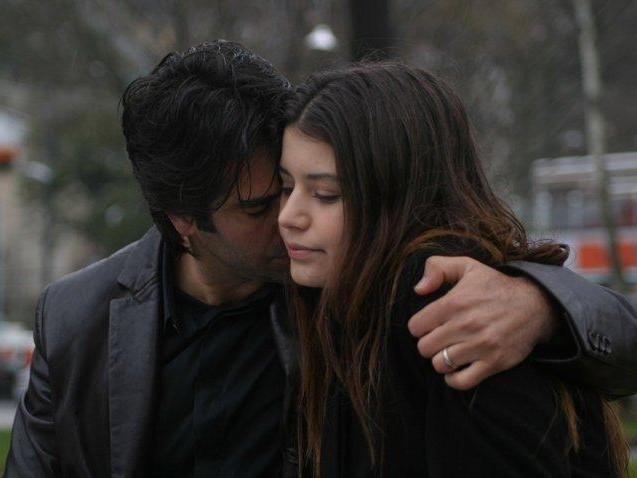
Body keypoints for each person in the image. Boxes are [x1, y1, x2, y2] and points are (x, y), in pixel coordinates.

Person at [4, 42, 636, 477]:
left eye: (316, 191)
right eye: (265, 201)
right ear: (182, 221)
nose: (287, 216)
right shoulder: (77, 317)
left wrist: (541, 306)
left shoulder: (379, 291)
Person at [278, 61, 629, 477]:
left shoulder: (446, 307)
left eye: (326, 194)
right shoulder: (342, 299)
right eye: (286, 187)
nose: (289, 216)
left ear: (398, 192)